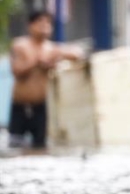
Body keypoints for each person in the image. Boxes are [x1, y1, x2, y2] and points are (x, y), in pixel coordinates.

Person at [9, 11, 82, 148]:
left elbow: (77, 53)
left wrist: (57, 58)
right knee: (15, 146)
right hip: (20, 106)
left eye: (48, 23)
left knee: (40, 146)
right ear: (30, 25)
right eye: (40, 23)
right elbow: (16, 71)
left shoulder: (51, 48)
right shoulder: (20, 45)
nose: (44, 27)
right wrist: (36, 62)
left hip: (40, 108)